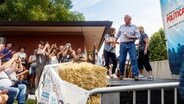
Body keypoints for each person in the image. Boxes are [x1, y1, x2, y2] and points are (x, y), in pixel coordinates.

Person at [116, 15, 140, 81]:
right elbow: (117, 35)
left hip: (131, 44)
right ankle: (121, 74)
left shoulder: (134, 26)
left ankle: (135, 75)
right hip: (122, 45)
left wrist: (130, 37)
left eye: (126, 18)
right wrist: (114, 41)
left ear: (130, 19)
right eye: (124, 18)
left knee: (134, 59)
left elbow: (138, 36)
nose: (124, 19)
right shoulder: (121, 26)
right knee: (121, 60)